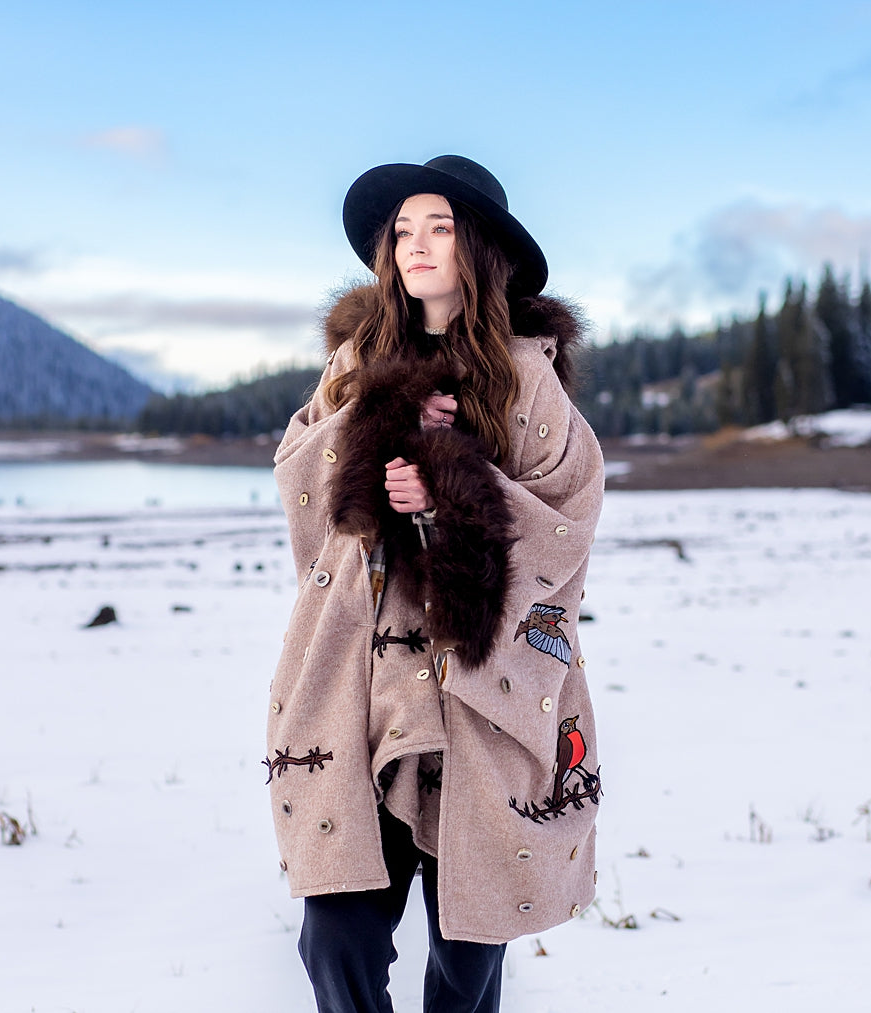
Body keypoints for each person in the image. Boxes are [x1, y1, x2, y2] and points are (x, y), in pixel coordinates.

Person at [265, 155, 605, 1013]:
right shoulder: (354, 358)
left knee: (465, 970)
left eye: (439, 227)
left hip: (482, 702)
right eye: (402, 231)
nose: (415, 246)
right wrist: (383, 424)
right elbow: (305, 494)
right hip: (362, 690)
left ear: (477, 246)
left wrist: (449, 491)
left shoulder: (525, 373)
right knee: (335, 940)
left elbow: (565, 521)